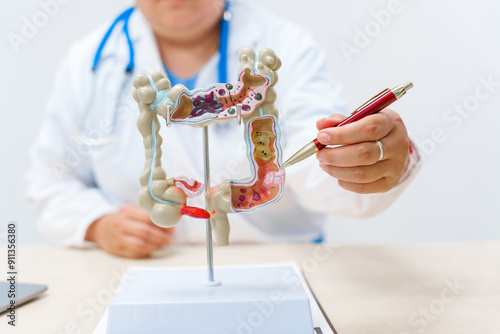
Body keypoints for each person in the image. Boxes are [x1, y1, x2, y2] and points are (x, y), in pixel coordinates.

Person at [27, 0, 421, 259]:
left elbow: (316, 161)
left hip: (277, 268)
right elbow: (50, 180)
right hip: (141, 272)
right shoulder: (88, 63)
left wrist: (365, 158)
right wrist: (98, 223)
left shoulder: (286, 46)